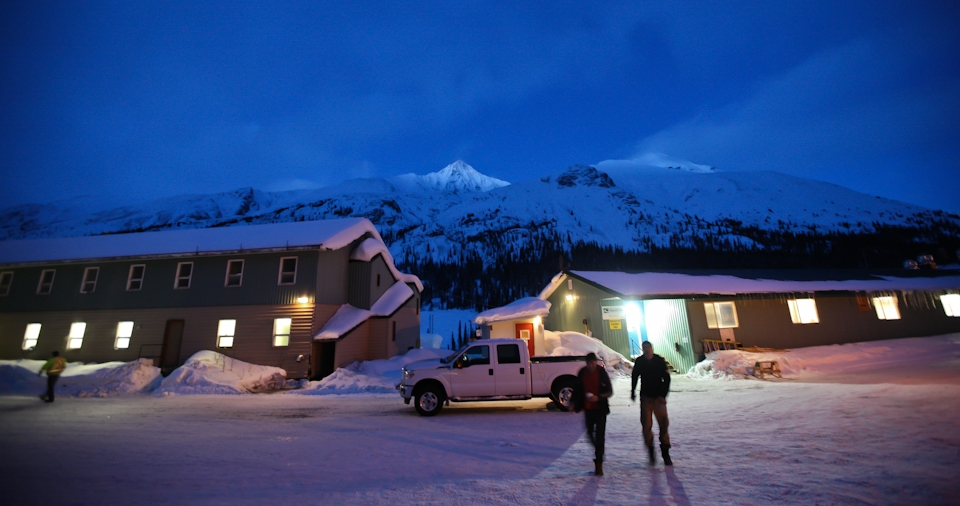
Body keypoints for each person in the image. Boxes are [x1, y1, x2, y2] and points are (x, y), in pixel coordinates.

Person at [631, 341, 672, 466]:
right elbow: (634, 376)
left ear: (652, 348)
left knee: (663, 425)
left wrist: (663, 395)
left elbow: (667, 378)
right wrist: (632, 391)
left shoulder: (659, 361)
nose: (647, 350)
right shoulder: (640, 362)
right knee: (646, 426)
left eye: (648, 348)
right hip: (646, 398)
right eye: (644, 348)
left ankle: (665, 452)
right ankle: (651, 451)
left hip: (658, 398)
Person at [572, 352, 613, 476]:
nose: (591, 365)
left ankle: (598, 464)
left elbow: (609, 391)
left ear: (596, 362)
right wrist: (573, 402)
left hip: (600, 408)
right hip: (588, 408)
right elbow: (577, 388)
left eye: (593, 362)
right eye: (589, 363)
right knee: (589, 432)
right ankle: (599, 449)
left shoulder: (601, 372)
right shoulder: (582, 373)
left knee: (600, 435)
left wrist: (598, 397)